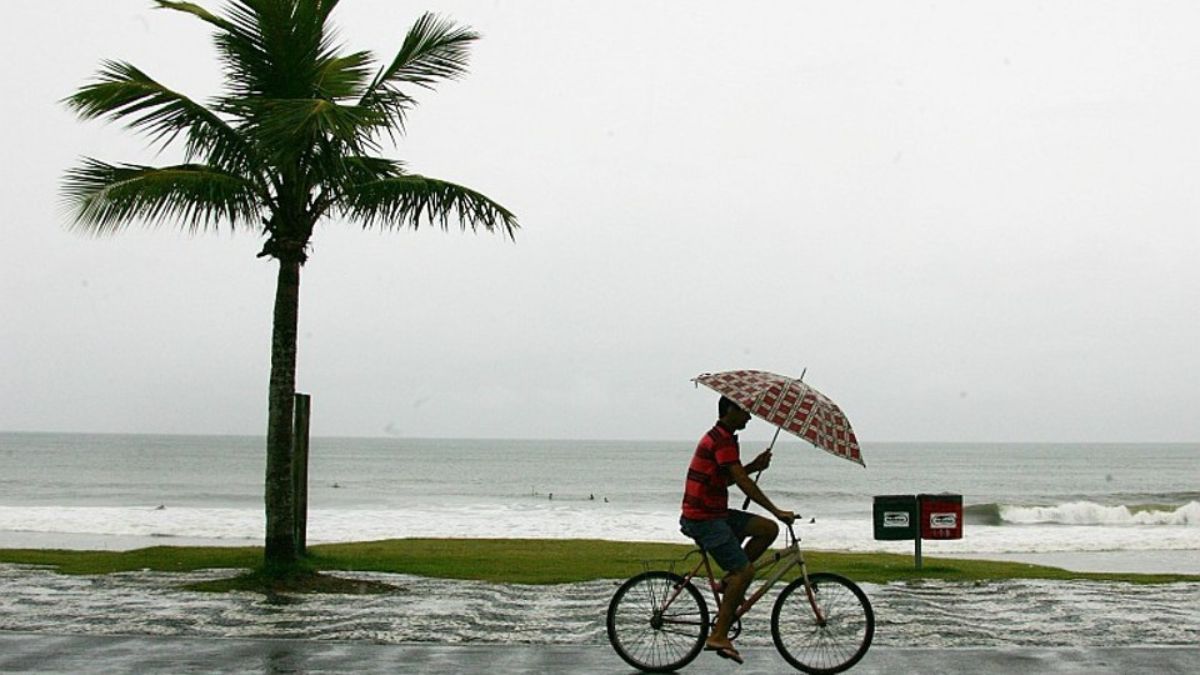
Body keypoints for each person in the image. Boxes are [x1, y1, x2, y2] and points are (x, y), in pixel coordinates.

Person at [680, 395, 795, 665]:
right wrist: (776, 508)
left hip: (715, 513)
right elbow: (742, 482)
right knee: (747, 571)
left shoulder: (727, 439)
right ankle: (719, 635)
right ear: (730, 410)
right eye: (745, 412)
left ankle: (731, 580)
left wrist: (754, 466)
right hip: (703, 518)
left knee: (768, 529)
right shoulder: (720, 439)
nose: (750, 417)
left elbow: (727, 478)